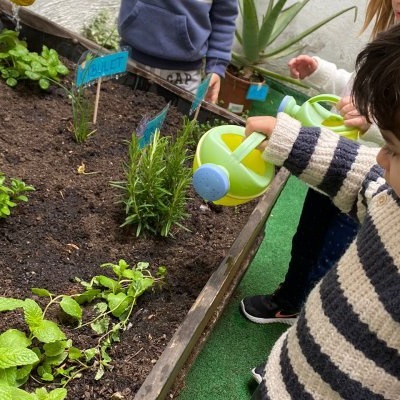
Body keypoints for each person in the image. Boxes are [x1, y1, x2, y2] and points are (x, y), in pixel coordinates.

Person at [247, 22, 400, 399]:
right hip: (291, 370)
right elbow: (363, 173)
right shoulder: (392, 198)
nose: (381, 154)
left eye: (395, 149)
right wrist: (288, 139)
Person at [240, 0, 389, 325]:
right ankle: (289, 300)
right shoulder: (388, 40)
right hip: (332, 168)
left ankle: (312, 324)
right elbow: (354, 85)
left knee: (332, 258)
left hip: (370, 184)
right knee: (306, 238)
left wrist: (374, 122)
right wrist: (321, 72)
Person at [117, 0, 238, 103]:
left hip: (183, 75)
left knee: (176, 126)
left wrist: (216, 67)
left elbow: (224, 18)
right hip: (130, 57)